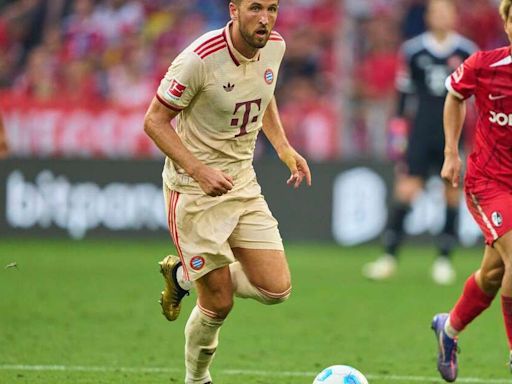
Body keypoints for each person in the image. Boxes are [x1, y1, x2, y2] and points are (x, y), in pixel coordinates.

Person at [143, 1, 311, 384]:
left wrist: (284, 148)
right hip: (194, 191)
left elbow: (263, 93)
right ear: (234, 10)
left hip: (242, 181)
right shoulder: (199, 59)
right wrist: (198, 171)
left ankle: (184, 276)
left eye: (272, 8)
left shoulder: (275, 46)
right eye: (255, 8)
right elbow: (154, 121)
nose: (265, 18)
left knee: (276, 290)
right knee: (218, 301)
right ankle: (197, 379)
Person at [362, 0, 478, 285]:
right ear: (427, 17)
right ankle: (388, 257)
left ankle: (444, 259)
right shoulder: (414, 50)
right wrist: (398, 137)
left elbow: (477, 99)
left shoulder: (466, 51)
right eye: (436, 12)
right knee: (406, 189)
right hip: (421, 131)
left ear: (453, 16)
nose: (440, 16)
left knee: (451, 192)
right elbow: (404, 97)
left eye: (445, 12)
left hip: (452, 133)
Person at [431, 0, 512, 381]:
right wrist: (451, 152)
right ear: (506, 23)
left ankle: (448, 330)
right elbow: (454, 95)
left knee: (494, 274)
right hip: (489, 182)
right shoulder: (484, 64)